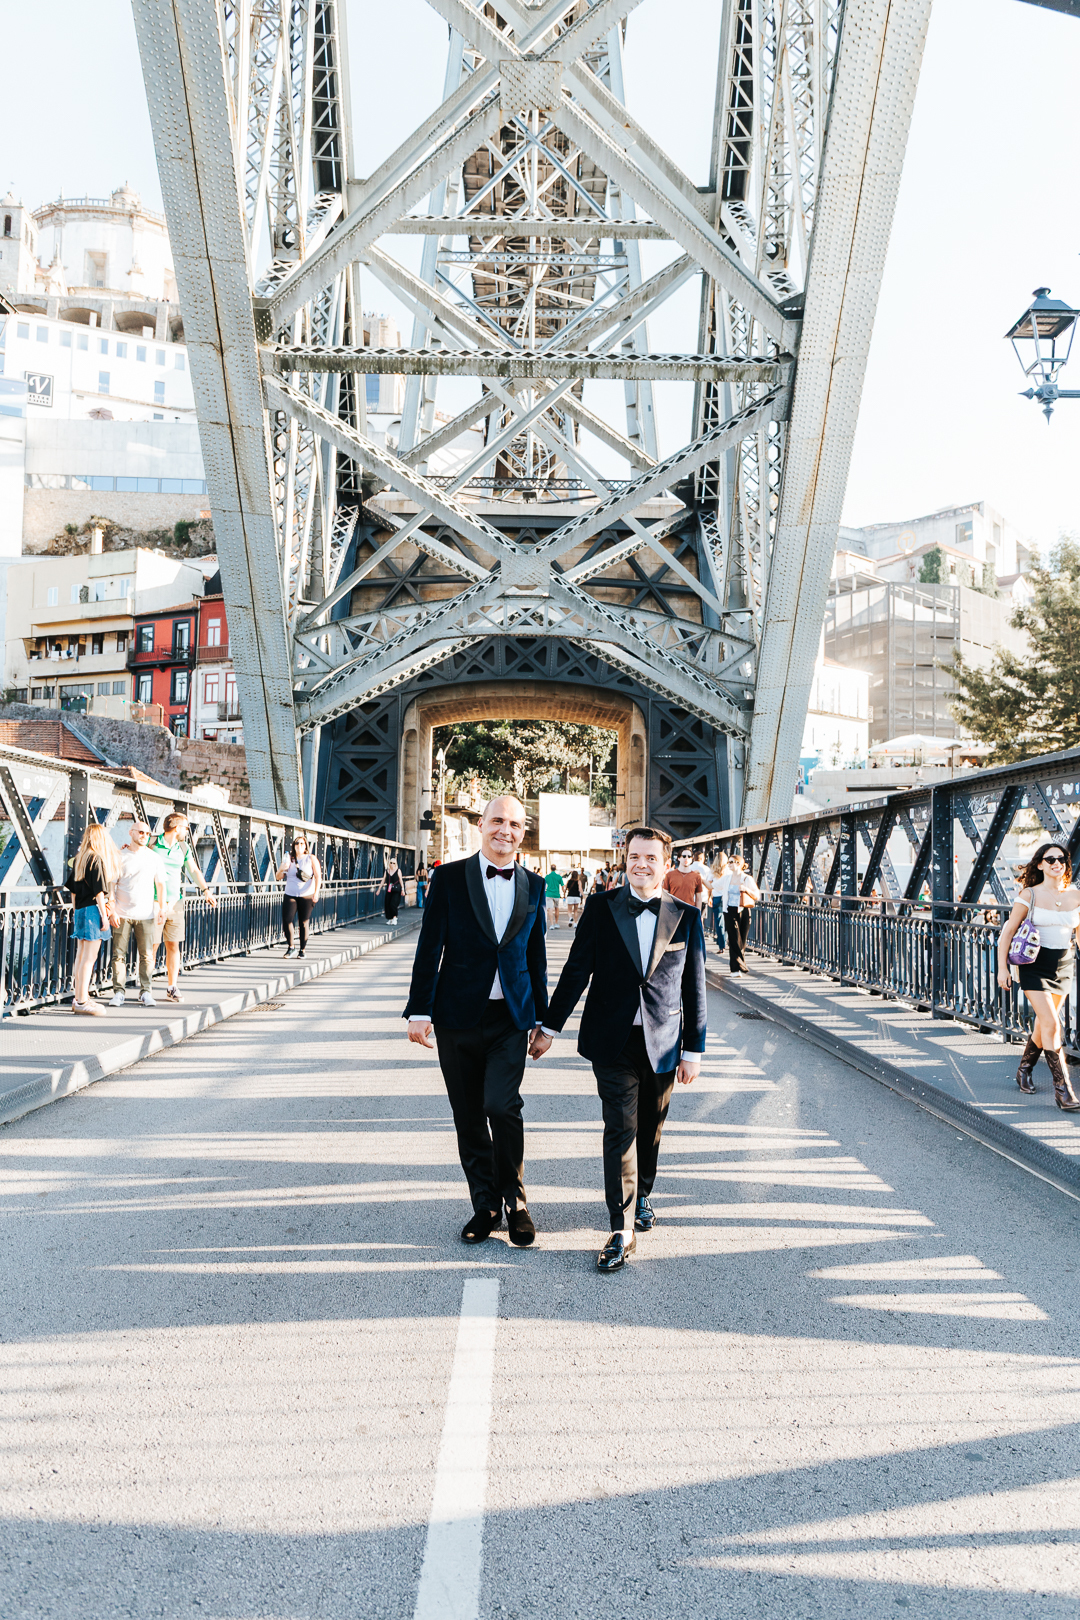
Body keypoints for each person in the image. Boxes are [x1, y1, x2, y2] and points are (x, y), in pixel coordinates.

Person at [531, 826, 706, 1272]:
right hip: (612, 1041)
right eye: (634, 857)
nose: (641, 865)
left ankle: (643, 1192)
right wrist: (550, 1027)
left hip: (664, 1043)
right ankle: (621, 1226)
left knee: (650, 1128)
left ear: (666, 865)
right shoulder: (601, 907)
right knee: (621, 1128)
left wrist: (694, 1050)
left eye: (650, 858)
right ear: (624, 861)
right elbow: (576, 972)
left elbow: (694, 987)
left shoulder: (686, 915)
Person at [404, 795, 548, 1247]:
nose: (506, 830)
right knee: (468, 1114)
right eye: (498, 821)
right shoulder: (447, 878)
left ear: (523, 833)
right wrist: (420, 1009)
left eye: (516, 824)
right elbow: (430, 948)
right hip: (456, 1016)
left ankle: (516, 1202)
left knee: (501, 1106)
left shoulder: (535, 884)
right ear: (481, 825)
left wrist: (544, 1022)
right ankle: (484, 1204)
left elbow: (536, 957)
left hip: (511, 1016)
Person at [997, 842, 1080, 1109]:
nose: (1058, 863)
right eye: (1051, 858)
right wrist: (1002, 968)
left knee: (1044, 1024)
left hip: (1063, 965)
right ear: (1040, 864)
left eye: (1062, 859)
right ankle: (1063, 1091)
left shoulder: (1076, 896)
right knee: (1053, 1025)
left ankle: (1024, 1069)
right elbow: (1007, 933)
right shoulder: (1029, 895)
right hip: (1034, 966)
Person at [150, 812, 218, 1002]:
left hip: (176, 903)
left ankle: (172, 987)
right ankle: (146, 989)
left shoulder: (183, 846)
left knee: (173, 945)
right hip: (155, 902)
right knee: (152, 947)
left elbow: (194, 870)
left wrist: (205, 890)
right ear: (177, 827)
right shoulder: (153, 844)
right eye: (186, 827)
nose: (187, 831)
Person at [109, 820, 167, 1006]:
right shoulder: (119, 856)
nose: (144, 836)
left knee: (147, 955)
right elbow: (112, 884)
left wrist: (162, 907)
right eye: (141, 832)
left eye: (147, 834)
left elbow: (161, 884)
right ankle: (118, 992)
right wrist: (111, 909)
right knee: (119, 954)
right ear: (131, 832)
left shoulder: (154, 858)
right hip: (122, 912)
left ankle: (146, 991)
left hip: (146, 913)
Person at [67, 823, 122, 1016]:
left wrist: (76, 912)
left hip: (81, 910)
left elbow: (73, 892)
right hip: (92, 911)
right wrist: (104, 916)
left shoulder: (80, 859)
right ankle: (83, 1001)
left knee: (80, 957)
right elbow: (99, 892)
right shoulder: (96, 859)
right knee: (89, 959)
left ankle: (79, 998)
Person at [276, 835, 322, 957]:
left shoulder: (311, 858)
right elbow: (278, 877)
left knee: (304, 922)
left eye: (302, 843)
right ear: (293, 846)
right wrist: (281, 868)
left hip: (306, 895)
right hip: (290, 894)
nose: (299, 845)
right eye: (297, 843)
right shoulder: (289, 859)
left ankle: (302, 950)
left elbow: (318, 876)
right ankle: (291, 947)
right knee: (287, 920)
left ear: (305, 845)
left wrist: (316, 892)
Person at [724, 854, 759, 974]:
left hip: (743, 910)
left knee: (742, 940)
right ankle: (736, 969)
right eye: (728, 862)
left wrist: (745, 889)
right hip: (729, 910)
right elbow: (714, 886)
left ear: (739, 863)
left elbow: (757, 895)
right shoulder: (727, 878)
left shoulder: (747, 879)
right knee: (734, 939)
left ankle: (740, 964)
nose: (729, 864)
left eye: (731, 862)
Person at [710, 852, 728, 953]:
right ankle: (724, 941)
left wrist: (708, 897)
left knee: (719, 922)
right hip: (726, 898)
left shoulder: (712, 871)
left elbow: (709, 885)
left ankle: (722, 946)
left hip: (716, 897)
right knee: (727, 920)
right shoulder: (728, 870)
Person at [690, 848, 714, 926]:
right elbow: (709, 884)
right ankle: (699, 935)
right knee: (700, 919)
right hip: (703, 897)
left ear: (694, 858)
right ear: (703, 859)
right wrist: (709, 897)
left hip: (690, 898)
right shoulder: (707, 869)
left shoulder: (689, 868)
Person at [382, 857, 404, 926]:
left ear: (396, 864)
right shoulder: (387, 871)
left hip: (396, 890)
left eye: (394, 863)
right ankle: (390, 918)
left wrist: (403, 889)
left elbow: (401, 880)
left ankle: (395, 917)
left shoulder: (398, 871)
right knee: (387, 904)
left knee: (393, 904)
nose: (392, 864)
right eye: (391, 862)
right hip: (389, 890)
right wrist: (379, 889)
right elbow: (383, 880)